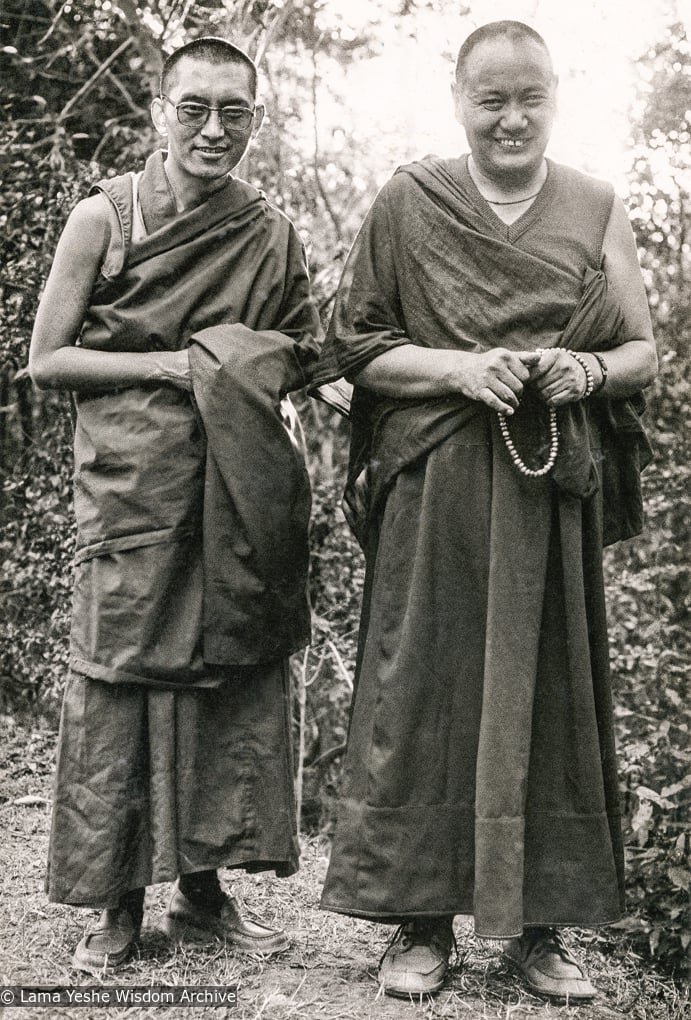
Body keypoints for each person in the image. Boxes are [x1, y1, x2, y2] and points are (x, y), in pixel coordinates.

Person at [313, 20, 656, 1002]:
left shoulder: (593, 207)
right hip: (434, 484)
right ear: (457, 99)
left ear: (556, 94)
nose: (511, 116)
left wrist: (579, 366)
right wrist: (465, 370)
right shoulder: (410, 203)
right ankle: (418, 923)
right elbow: (358, 348)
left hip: (547, 492)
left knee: (548, 692)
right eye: (490, 98)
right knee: (424, 688)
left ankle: (540, 930)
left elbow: (640, 351)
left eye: (529, 97)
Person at [29, 36, 321, 973]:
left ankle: (202, 892)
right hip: (131, 490)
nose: (212, 130)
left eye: (233, 113)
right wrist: (183, 364)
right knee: (119, 678)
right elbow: (47, 360)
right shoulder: (103, 217)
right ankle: (114, 903)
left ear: (255, 122)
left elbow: (302, 352)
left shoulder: (270, 232)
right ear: (159, 111)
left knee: (225, 675)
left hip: (236, 491)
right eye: (193, 108)